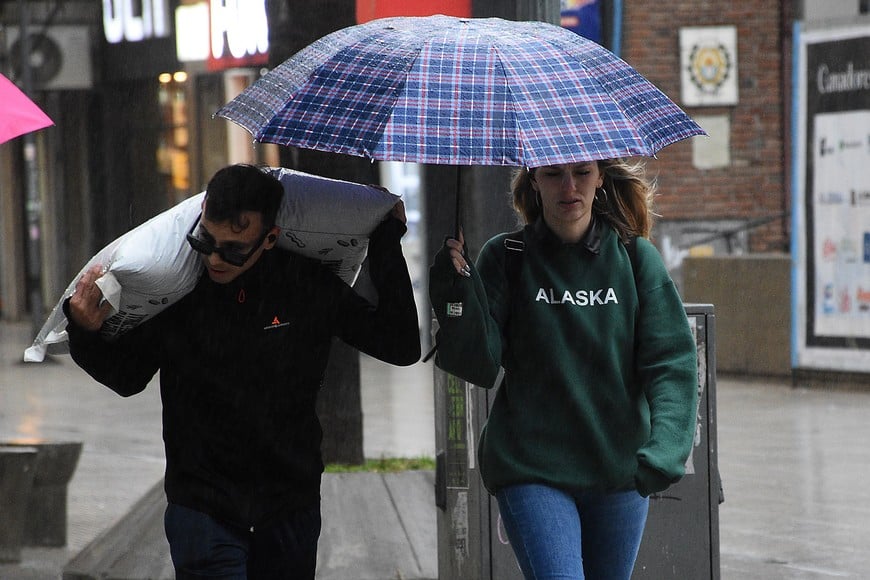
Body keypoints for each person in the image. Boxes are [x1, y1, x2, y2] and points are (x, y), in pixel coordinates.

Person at [65, 164, 421, 580]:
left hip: (288, 505)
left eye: (234, 249)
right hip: (202, 507)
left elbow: (399, 346)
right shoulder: (184, 291)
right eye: (206, 242)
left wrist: (386, 243)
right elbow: (128, 376)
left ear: (270, 238)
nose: (215, 258)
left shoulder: (305, 286)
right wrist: (85, 332)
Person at [428, 159, 698, 579]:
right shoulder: (506, 256)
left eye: (582, 173)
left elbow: (672, 360)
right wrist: (455, 289)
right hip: (531, 467)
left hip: (618, 470)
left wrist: (667, 447)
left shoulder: (634, 257)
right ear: (534, 180)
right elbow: (477, 362)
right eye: (553, 174)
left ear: (600, 177)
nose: (568, 187)